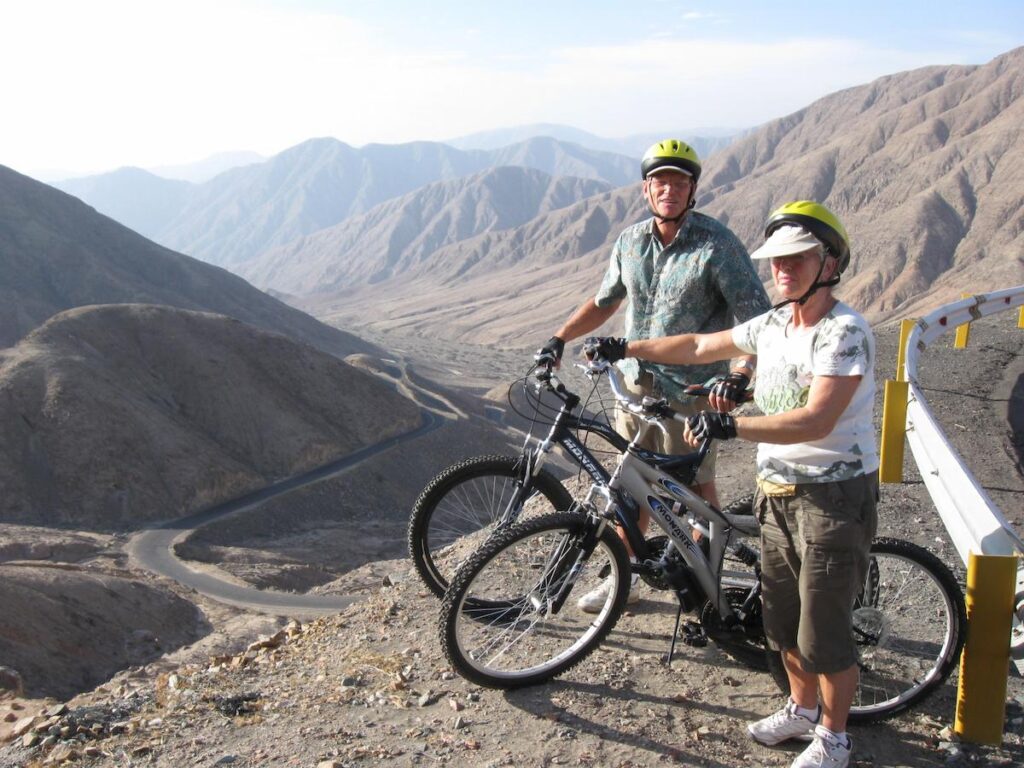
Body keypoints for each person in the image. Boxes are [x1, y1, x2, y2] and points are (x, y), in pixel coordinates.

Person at [586, 201, 877, 768]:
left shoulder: (844, 333)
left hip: (832, 494)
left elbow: (816, 420)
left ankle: (835, 738)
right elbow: (698, 345)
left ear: (830, 262)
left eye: (798, 259)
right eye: (778, 261)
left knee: (825, 630)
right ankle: (800, 708)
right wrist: (629, 347)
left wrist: (733, 424)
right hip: (776, 491)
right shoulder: (772, 325)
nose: (783, 270)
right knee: (782, 618)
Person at [535, 139, 771, 612]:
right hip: (634, 387)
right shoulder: (630, 242)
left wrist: (740, 373)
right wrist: (559, 338)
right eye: (660, 182)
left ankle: (708, 579)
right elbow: (606, 301)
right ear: (647, 190)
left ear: (692, 190)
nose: (669, 190)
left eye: (679, 182)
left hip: (689, 392)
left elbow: (755, 320)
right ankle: (622, 578)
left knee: (697, 491)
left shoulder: (718, 246)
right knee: (630, 487)